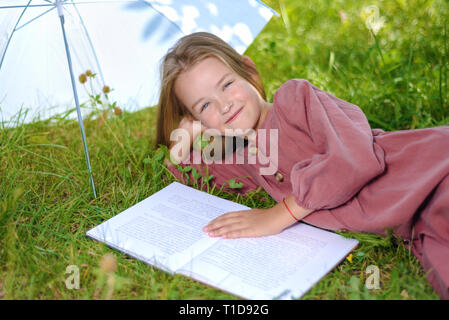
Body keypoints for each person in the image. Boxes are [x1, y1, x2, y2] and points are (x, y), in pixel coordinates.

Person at [154, 32, 449, 299]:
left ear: (250, 72)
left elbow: (352, 162)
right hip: (415, 220)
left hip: (429, 172)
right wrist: (184, 138)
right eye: (204, 106)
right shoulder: (251, 159)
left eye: (227, 84)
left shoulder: (296, 99)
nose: (224, 105)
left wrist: (278, 215)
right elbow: (190, 173)